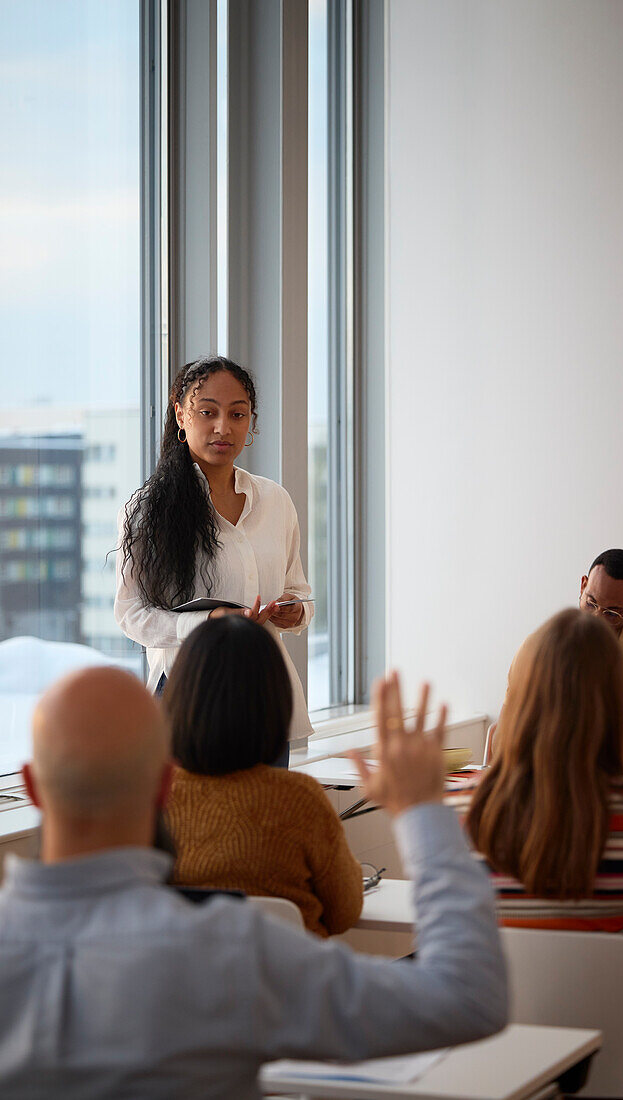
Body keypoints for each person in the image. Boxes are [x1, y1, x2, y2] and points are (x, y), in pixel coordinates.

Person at [0, 666, 507, 1096]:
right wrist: (421, 811)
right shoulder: (226, 949)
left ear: (31, 787)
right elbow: (467, 998)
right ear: (162, 785)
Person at [467, 609, 623, 968]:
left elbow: (447, 940)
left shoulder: (463, 811)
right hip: (622, 1014)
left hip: (498, 1013)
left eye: (614, 611)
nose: (600, 614)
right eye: (592, 603)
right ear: (614, 703)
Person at [114, 354, 313, 759]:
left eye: (238, 415)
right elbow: (131, 616)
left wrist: (294, 611)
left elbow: (298, 590)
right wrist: (208, 622)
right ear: (181, 415)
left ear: (251, 423)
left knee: (268, 820)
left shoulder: (275, 500)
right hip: (190, 700)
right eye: (208, 412)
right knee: (195, 822)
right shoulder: (148, 509)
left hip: (265, 695)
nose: (223, 427)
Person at [163, 615, 363, 936]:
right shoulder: (298, 799)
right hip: (291, 981)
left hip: (186, 983)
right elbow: (345, 912)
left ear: (180, 698)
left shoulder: (152, 802)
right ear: (275, 698)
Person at [490, 548, 623, 769]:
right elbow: (506, 731)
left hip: (615, 783)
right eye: (591, 603)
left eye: (612, 613)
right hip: (543, 782)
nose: (597, 618)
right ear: (583, 585)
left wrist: (610, 778)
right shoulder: (536, 648)